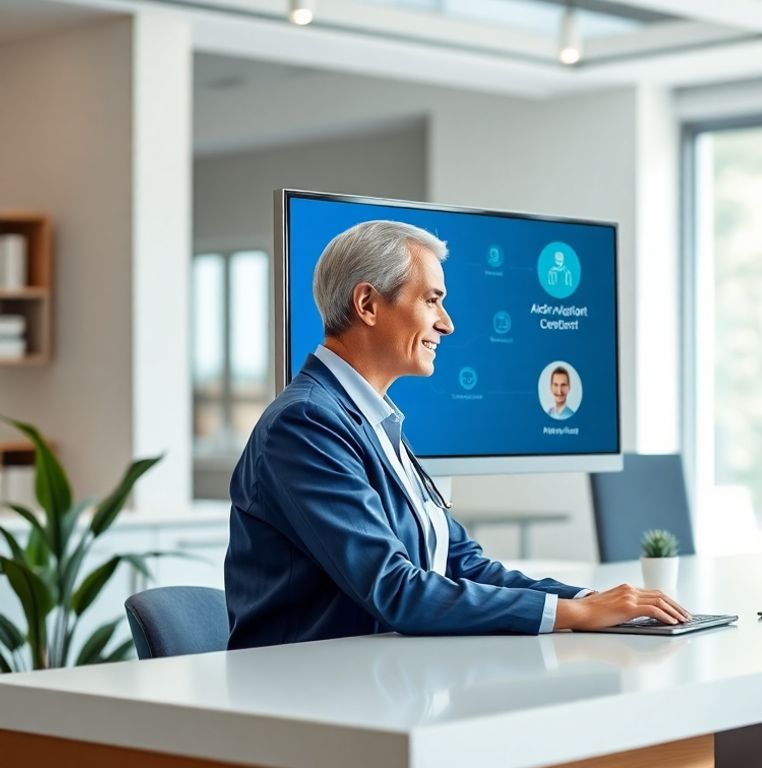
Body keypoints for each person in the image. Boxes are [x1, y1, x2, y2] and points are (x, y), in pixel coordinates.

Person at [225, 220, 689, 649]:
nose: (446, 323)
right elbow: (395, 589)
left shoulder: (372, 420)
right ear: (367, 304)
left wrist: (593, 601)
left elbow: (462, 564)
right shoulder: (307, 423)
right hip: (309, 689)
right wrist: (575, 614)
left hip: (379, 676)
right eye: (431, 300)